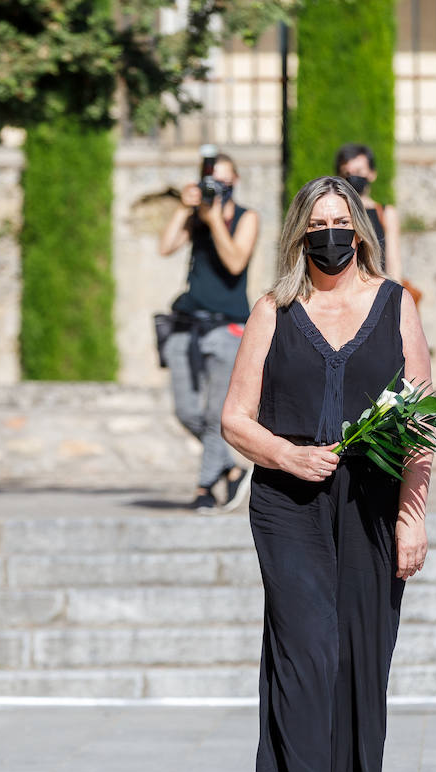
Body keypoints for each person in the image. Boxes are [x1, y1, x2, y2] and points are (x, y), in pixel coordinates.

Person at [220, 176, 431, 772]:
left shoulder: (396, 304)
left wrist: (411, 518)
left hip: (371, 501)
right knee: (305, 651)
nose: (330, 234)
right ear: (298, 234)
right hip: (288, 505)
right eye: (317, 223)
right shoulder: (272, 309)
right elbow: (234, 418)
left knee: (360, 654)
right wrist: (287, 454)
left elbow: (421, 423)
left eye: (341, 221)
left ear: (360, 230)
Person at [158, 151, 260, 511]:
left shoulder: (247, 218)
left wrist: (215, 220)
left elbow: (235, 262)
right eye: (210, 179)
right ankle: (230, 470)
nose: (217, 185)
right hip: (188, 324)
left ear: (235, 181)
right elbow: (165, 246)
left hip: (227, 325)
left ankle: (204, 488)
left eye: (223, 178)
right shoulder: (196, 217)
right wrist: (185, 209)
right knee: (186, 410)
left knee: (219, 413)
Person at [335, 143, 401, 279]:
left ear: (372, 174)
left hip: (377, 291)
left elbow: (393, 261)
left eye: (359, 172)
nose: (352, 177)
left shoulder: (385, 213)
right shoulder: (334, 213)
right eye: (347, 173)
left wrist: (395, 296)